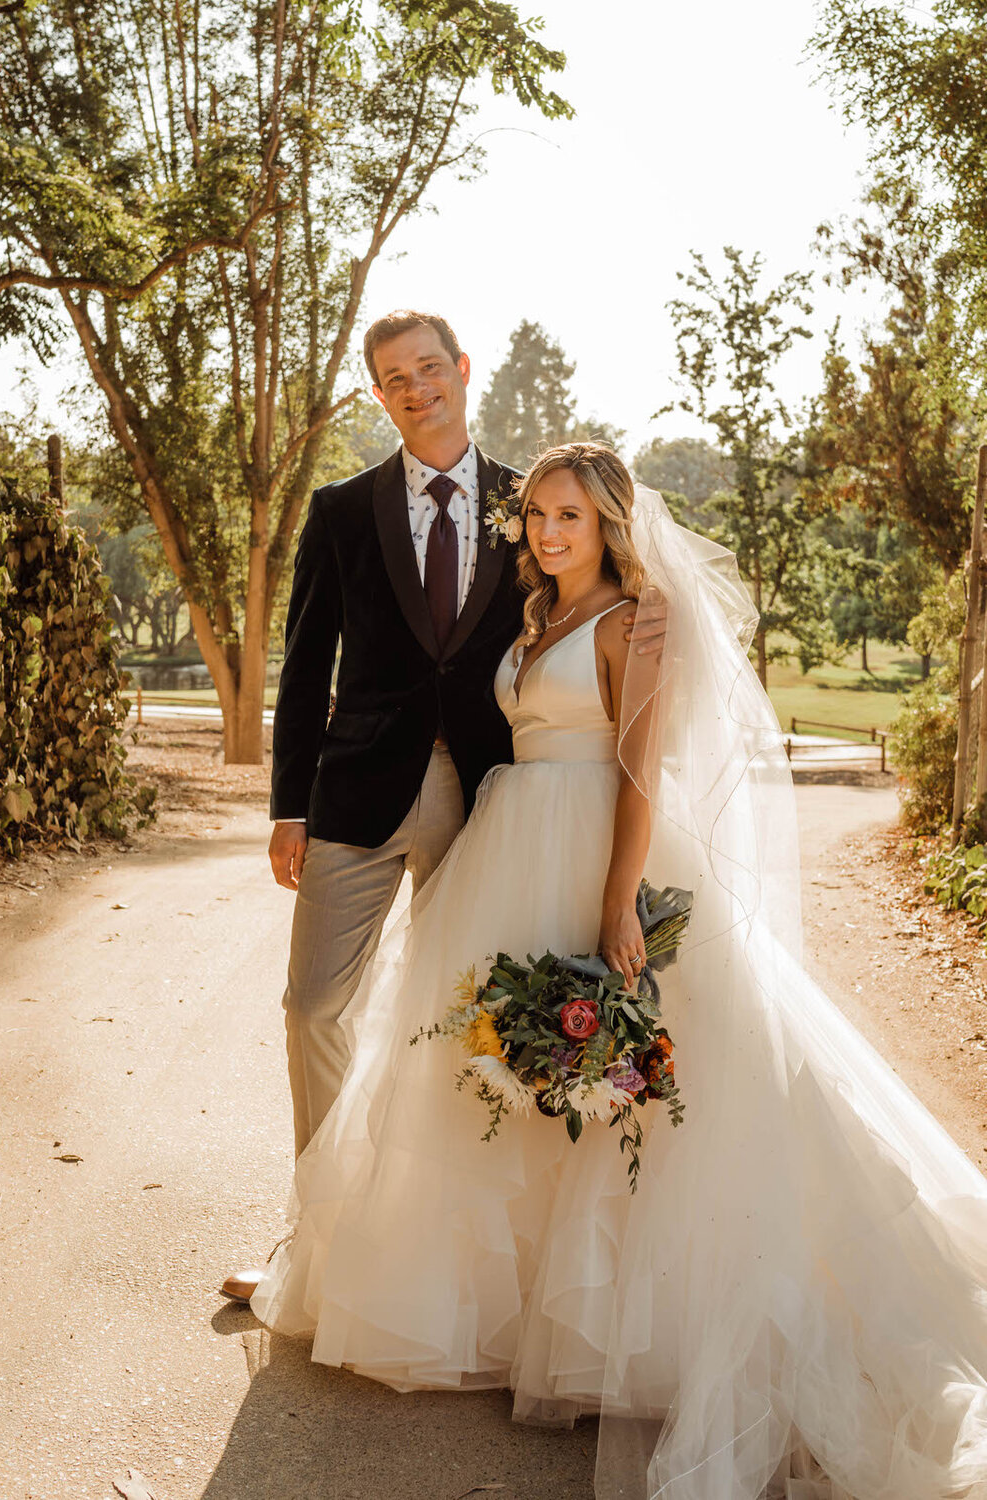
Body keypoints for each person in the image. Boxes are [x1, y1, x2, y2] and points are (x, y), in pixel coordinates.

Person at [251, 441, 987, 1500]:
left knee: (640, 1093)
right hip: (513, 843)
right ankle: (513, 1318)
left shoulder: (637, 622)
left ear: (609, 525)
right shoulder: (533, 610)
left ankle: (623, 1332)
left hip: (599, 846)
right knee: (504, 1077)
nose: (549, 535)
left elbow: (640, 773)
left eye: (571, 519)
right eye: (538, 518)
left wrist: (615, 904)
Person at [223, 316, 657, 1303]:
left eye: (429, 369)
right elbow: (304, 665)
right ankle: (318, 1245)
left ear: (462, 372)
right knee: (316, 1007)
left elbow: (593, 608)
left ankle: (454, 1263)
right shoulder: (341, 510)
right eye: (392, 378)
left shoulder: (532, 502)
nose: (415, 389)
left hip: (492, 797)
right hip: (354, 792)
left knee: (464, 1030)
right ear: (377, 395)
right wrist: (289, 803)